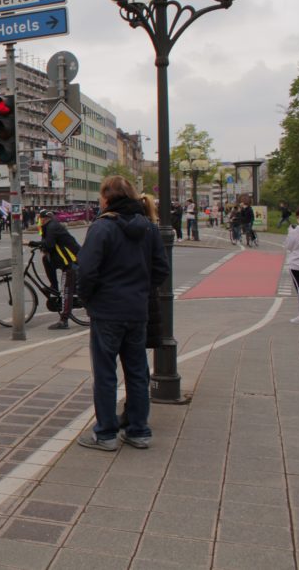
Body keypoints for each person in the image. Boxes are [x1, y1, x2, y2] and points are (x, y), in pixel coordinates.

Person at [76, 176, 168, 451]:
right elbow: (161, 269)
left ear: (107, 198)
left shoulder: (102, 227)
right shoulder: (149, 228)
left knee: (106, 373)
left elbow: (86, 271)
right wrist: (140, 289)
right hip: (137, 311)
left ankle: (105, 433)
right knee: (138, 370)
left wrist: (89, 299)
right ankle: (139, 430)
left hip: (107, 311)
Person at [37, 209, 82, 330]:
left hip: (71, 262)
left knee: (66, 291)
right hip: (66, 260)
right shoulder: (49, 227)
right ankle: (53, 287)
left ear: (45, 219)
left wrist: (33, 243)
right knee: (46, 259)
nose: (39, 221)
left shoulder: (52, 227)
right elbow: (47, 245)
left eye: (40, 219)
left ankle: (64, 320)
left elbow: (49, 244)